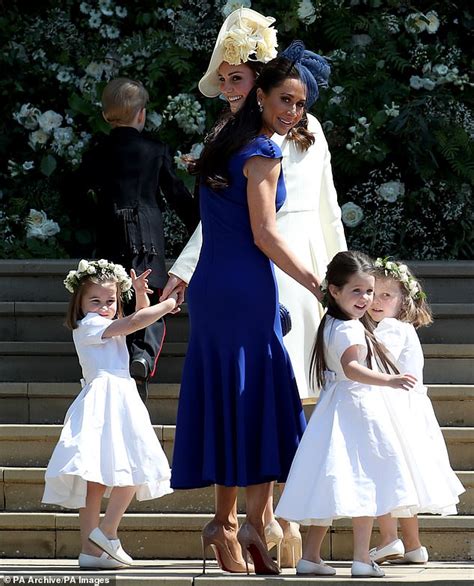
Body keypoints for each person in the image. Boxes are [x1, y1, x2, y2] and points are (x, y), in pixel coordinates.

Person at [160, 7, 346, 567]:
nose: (293, 111)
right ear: (264, 94)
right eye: (285, 99)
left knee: (231, 397)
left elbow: (242, 222)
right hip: (251, 282)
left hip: (222, 284)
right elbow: (264, 233)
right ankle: (249, 526)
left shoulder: (224, 138)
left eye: (300, 103)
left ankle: (232, 523)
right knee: (260, 398)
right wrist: (321, 286)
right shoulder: (261, 148)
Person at [275, 250, 425, 578]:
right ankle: (361, 558)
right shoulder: (350, 328)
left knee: (333, 481)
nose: (365, 298)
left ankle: (311, 556)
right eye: (356, 291)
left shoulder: (332, 321)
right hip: (359, 408)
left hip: (336, 407)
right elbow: (352, 368)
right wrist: (391, 379)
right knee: (367, 481)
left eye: (369, 291)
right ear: (334, 290)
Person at [42, 259, 178, 569]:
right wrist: (167, 303)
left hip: (119, 395)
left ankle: (92, 549)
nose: (104, 306)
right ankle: (105, 533)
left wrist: (142, 295)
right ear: (80, 302)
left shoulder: (106, 325)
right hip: (107, 397)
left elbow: (136, 320)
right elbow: (133, 323)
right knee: (120, 469)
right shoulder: (89, 325)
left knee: (111, 473)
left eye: (110, 301)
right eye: (96, 300)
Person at [76, 78, 199, 402]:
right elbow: (176, 194)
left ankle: (122, 363)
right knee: (151, 298)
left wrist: (94, 216)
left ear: (106, 116)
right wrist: (202, 226)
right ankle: (143, 354)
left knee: (115, 303)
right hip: (147, 239)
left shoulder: (98, 152)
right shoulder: (155, 150)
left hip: (110, 235)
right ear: (141, 115)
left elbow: (72, 191)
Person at [366, 258, 464, 565]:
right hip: (407, 410)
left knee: (384, 474)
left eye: (387, 295)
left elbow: (377, 364)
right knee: (402, 479)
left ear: (403, 300)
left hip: (393, 410)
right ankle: (413, 545)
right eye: (373, 293)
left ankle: (387, 538)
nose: (377, 302)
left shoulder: (392, 329)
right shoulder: (397, 328)